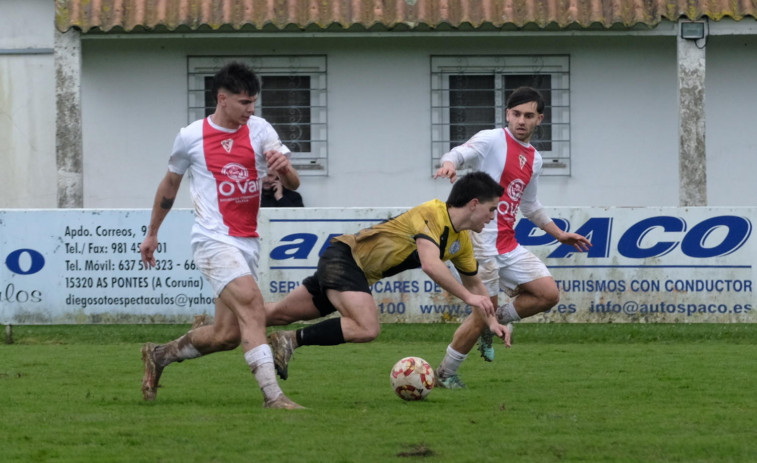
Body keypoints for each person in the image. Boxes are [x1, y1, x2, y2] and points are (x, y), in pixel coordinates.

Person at [139, 61, 305, 409]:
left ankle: (160, 355)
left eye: (254, 102)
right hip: (212, 238)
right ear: (222, 98)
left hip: (247, 239)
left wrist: (284, 167)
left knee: (226, 335)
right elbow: (170, 185)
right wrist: (152, 233)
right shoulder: (191, 137)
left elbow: (293, 183)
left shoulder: (260, 130)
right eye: (244, 102)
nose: (251, 109)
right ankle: (273, 397)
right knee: (252, 305)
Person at [264, 172, 511, 382]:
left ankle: (232, 318)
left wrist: (490, 322)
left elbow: (475, 284)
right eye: (492, 209)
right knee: (367, 327)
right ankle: (290, 339)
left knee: (277, 314)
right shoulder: (432, 213)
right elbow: (430, 264)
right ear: (474, 204)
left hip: (352, 269)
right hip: (345, 259)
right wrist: (469, 298)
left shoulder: (462, 241)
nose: (493, 217)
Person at [433, 86, 592, 388]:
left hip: (508, 242)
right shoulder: (492, 139)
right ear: (507, 114)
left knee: (548, 295)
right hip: (479, 243)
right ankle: (445, 373)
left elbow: (529, 205)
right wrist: (450, 163)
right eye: (516, 114)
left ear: (539, 119)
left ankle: (492, 324)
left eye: (528, 115)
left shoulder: (535, 159)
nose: (521, 120)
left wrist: (559, 234)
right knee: (482, 314)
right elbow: (460, 152)